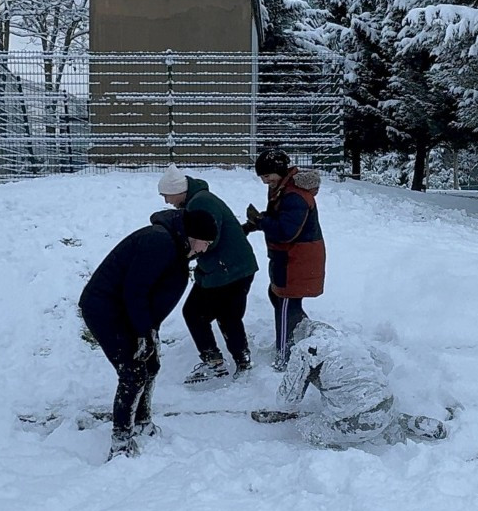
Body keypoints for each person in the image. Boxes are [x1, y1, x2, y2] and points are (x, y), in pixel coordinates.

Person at [79, 209, 192, 460]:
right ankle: (121, 443)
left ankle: (142, 423)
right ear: (193, 236)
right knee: (133, 372)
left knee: (150, 365)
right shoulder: (159, 242)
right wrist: (142, 331)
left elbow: (153, 295)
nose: (205, 250)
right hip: (105, 309)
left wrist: (149, 330)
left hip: (126, 311)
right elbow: (135, 290)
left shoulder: (175, 248)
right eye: (205, 243)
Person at [257, 318, 448, 448]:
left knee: (309, 429)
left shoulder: (306, 349)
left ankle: (344, 448)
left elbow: (287, 401)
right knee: (379, 414)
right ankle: (408, 422)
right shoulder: (349, 339)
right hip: (387, 404)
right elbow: (387, 364)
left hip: (354, 421)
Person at [157, 165, 260, 382]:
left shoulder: (200, 203)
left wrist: (184, 255)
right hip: (225, 268)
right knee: (209, 314)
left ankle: (229, 362)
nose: (166, 201)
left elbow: (207, 239)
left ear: (177, 190)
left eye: (166, 195)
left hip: (230, 270)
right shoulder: (197, 200)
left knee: (211, 315)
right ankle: (229, 360)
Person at [242, 148, 327, 372]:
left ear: (279, 171)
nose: (264, 181)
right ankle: (311, 338)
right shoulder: (282, 189)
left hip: (298, 258)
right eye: (262, 177)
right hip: (289, 257)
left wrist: (260, 221)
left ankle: (284, 357)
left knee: (286, 303)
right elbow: (279, 218)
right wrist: (254, 224)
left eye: (267, 176)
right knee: (279, 297)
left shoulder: (295, 195)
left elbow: (286, 231)